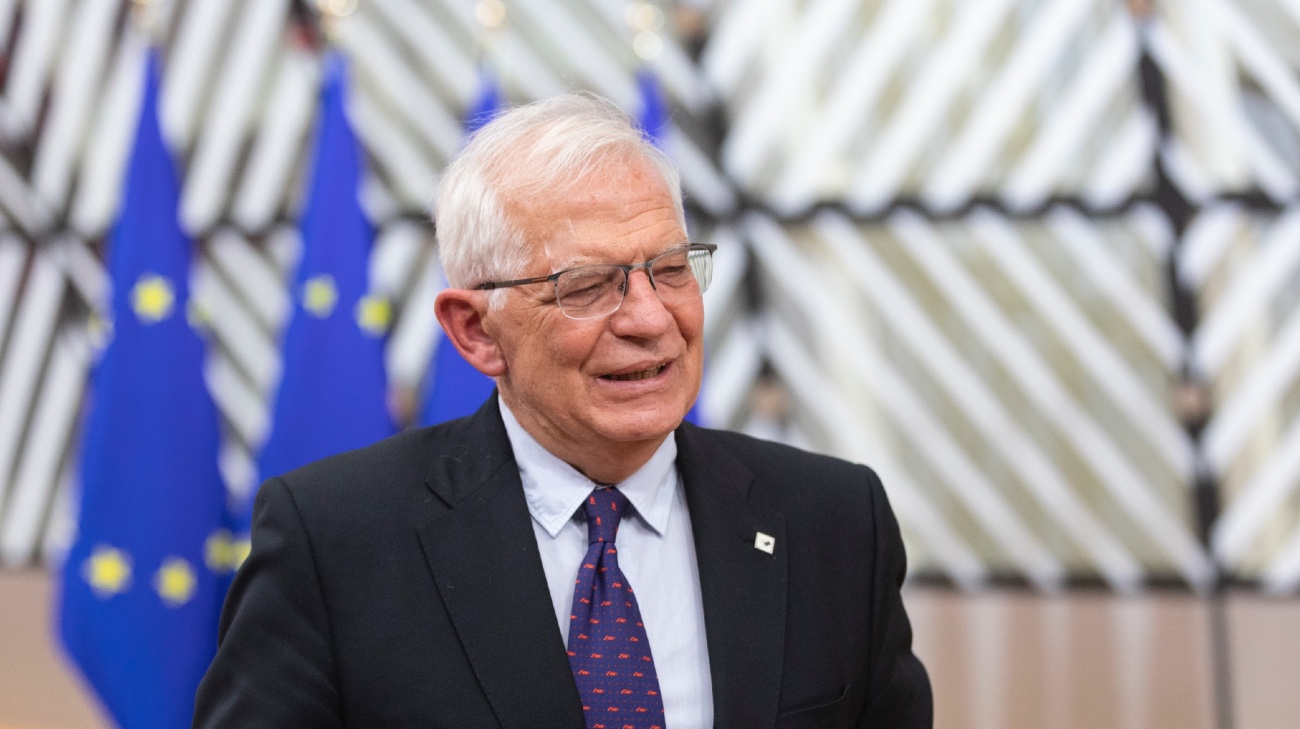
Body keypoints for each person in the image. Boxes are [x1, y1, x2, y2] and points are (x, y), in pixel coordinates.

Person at [193, 93, 931, 729]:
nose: (651, 318)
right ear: (476, 331)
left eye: (671, 269)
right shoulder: (335, 542)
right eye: (587, 286)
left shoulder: (834, 521)